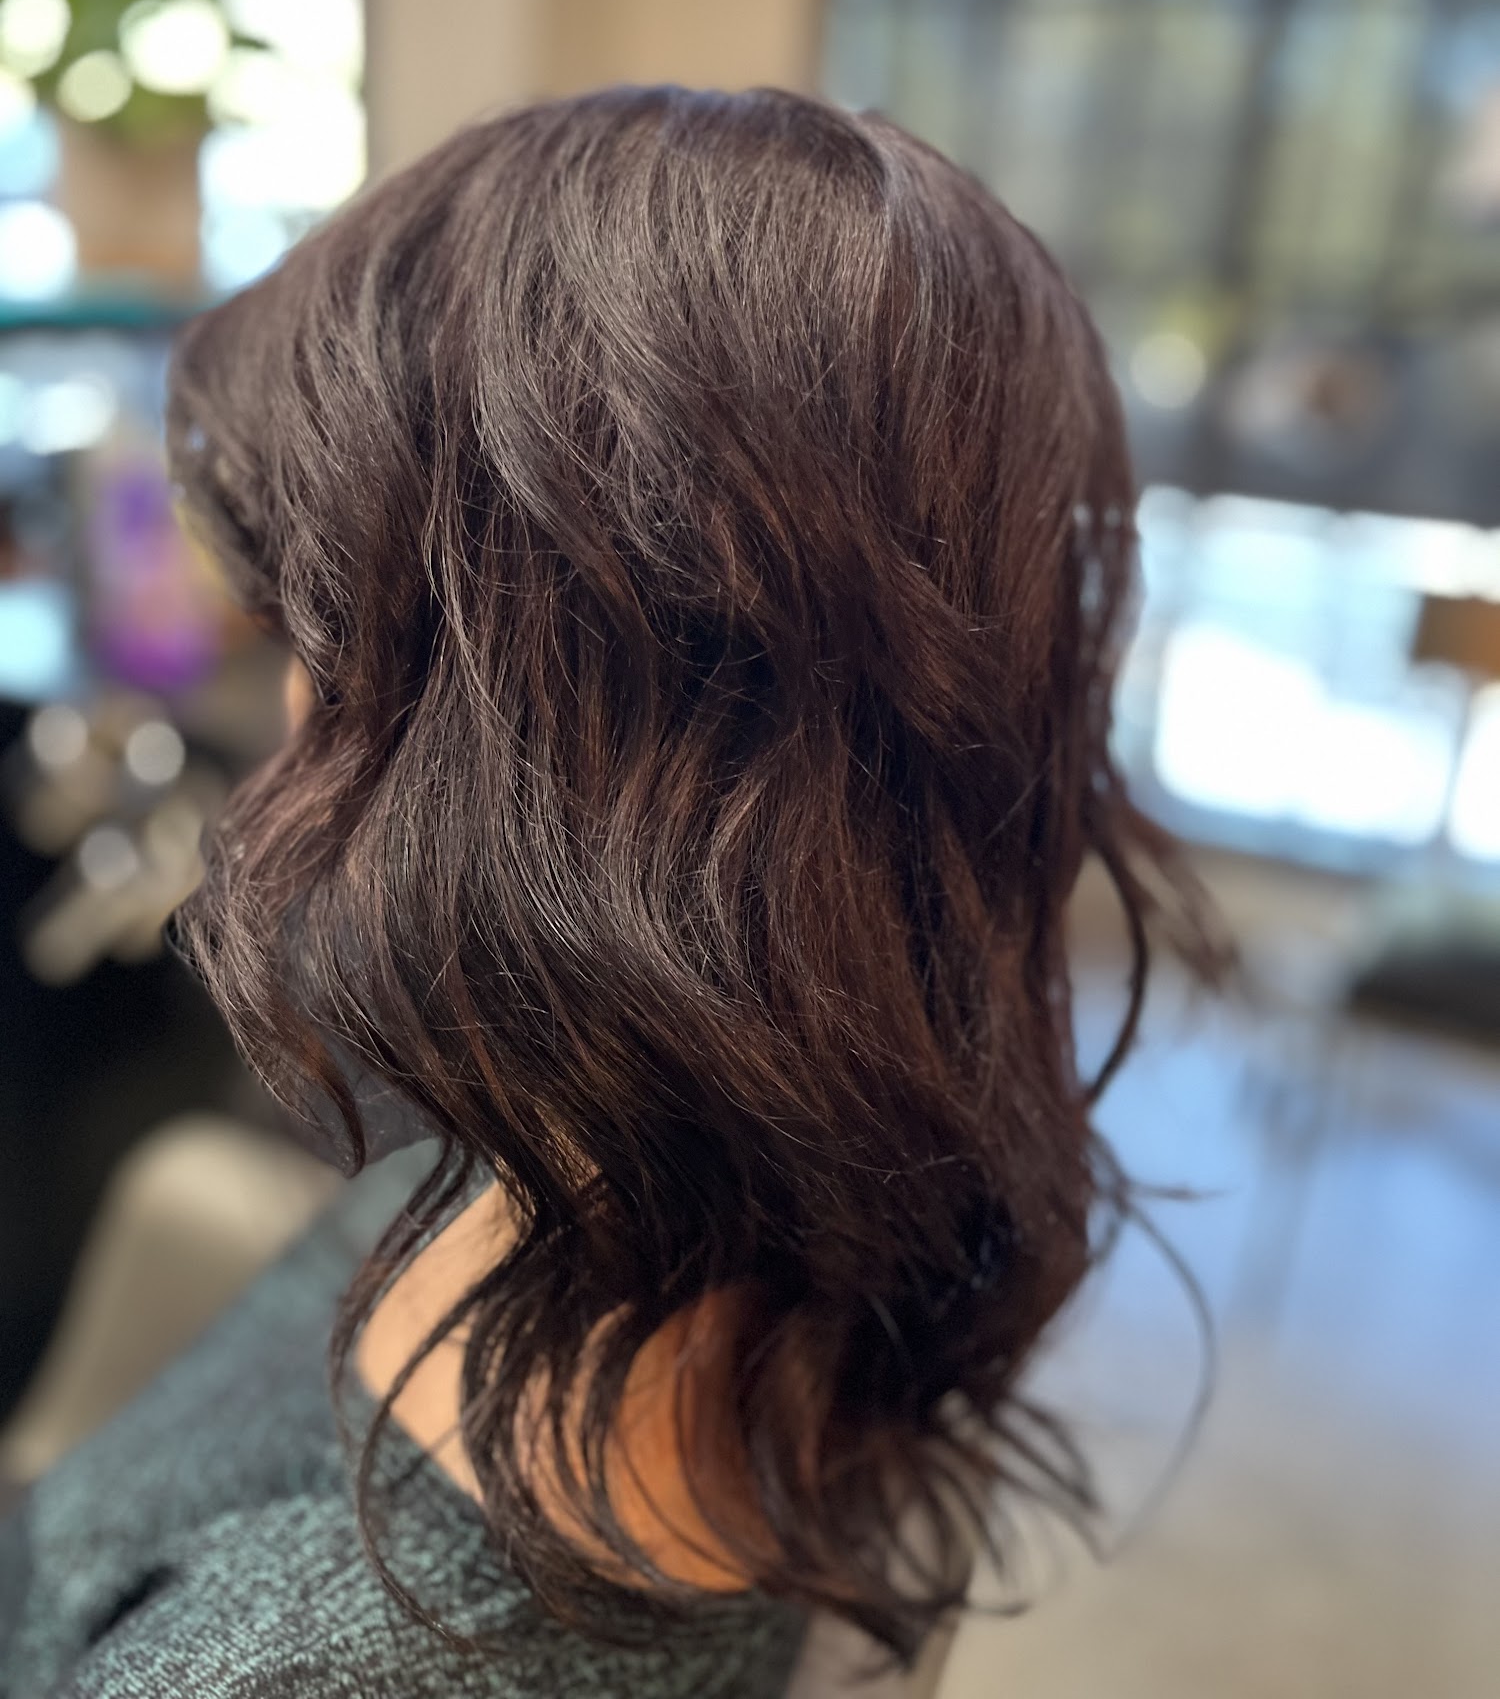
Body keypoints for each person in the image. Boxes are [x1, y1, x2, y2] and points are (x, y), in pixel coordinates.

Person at [0, 86, 1218, 1696]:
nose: (289, 707)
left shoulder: (290, 1669)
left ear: (519, 753)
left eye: (320, 628)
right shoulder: (754, 1221)